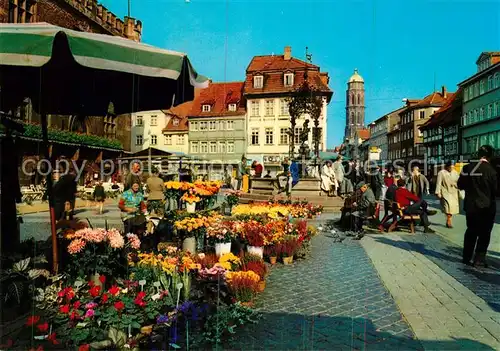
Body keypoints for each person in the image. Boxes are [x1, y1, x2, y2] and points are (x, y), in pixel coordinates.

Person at [458, 145, 497, 267]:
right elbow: (496, 190)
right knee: (485, 233)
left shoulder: (467, 168)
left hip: (471, 206)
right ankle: (479, 259)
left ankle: (466, 257)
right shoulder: (492, 171)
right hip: (487, 207)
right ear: (490, 156)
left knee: (471, 231)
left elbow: (460, 185)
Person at [435, 161, 460, 228]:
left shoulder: (455, 173)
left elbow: (459, 182)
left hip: (453, 192)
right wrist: (438, 192)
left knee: (451, 208)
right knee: (447, 207)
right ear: (447, 166)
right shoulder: (441, 173)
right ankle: (449, 221)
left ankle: (449, 219)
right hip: (445, 192)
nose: (451, 168)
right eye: (450, 167)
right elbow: (438, 183)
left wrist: (456, 185)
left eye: (453, 167)